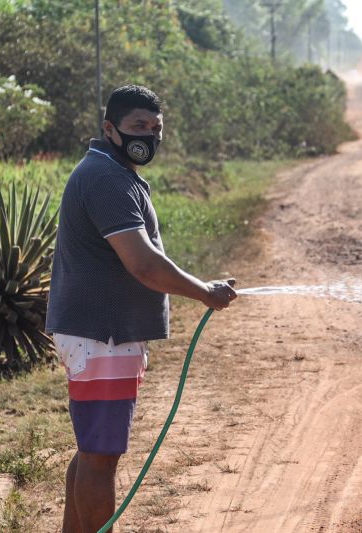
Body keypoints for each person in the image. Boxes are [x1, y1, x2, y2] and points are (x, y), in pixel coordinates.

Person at [45, 84, 237, 533]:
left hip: (98, 335)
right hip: (102, 337)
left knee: (93, 450)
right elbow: (145, 264)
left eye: (155, 128)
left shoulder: (110, 172)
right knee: (100, 458)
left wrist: (204, 289)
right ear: (109, 128)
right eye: (137, 127)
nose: (147, 137)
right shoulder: (107, 179)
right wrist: (205, 292)